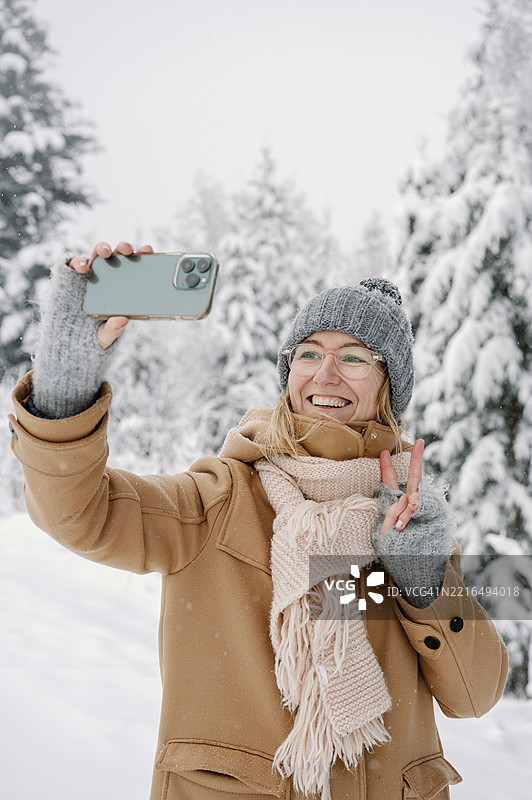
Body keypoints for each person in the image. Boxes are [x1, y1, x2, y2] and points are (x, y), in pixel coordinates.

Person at [9, 240, 508, 800]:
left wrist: (422, 580)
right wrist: (65, 387)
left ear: (388, 386)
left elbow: (477, 694)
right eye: (309, 353)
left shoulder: (411, 522)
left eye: (354, 357)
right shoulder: (221, 501)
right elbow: (80, 513)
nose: (326, 374)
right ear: (287, 371)